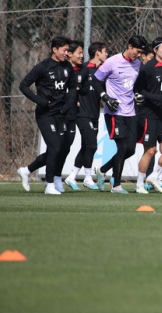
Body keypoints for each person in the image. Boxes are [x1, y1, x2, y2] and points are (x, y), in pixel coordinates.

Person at [17, 36, 76, 194]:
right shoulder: (42, 67)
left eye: (68, 50)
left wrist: (68, 105)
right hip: (45, 114)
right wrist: (40, 101)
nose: (66, 53)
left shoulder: (67, 67)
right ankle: (49, 185)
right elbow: (23, 85)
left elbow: (72, 88)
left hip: (61, 114)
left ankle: (27, 171)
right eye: (64, 50)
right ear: (54, 49)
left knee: (61, 149)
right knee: (55, 147)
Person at [92, 35, 148, 194]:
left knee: (130, 149)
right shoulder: (112, 62)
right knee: (123, 146)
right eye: (137, 51)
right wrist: (105, 96)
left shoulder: (138, 64)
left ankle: (102, 170)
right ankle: (116, 185)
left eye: (141, 52)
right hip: (115, 112)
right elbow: (95, 80)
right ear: (129, 46)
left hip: (131, 112)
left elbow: (135, 85)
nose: (139, 55)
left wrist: (137, 94)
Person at [133, 37, 162, 194]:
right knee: (151, 151)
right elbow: (138, 90)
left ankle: (154, 176)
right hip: (148, 114)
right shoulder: (148, 68)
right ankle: (139, 184)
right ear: (155, 50)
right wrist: (158, 97)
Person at [65, 42, 108, 190]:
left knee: (86, 146)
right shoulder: (83, 69)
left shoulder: (101, 72)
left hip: (94, 113)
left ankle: (71, 177)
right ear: (97, 53)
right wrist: (74, 99)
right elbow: (73, 87)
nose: (106, 55)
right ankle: (88, 178)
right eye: (105, 51)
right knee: (91, 145)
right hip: (82, 113)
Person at [58, 40, 85, 191]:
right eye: (79, 53)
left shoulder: (80, 71)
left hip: (72, 116)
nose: (82, 56)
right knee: (56, 148)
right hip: (58, 115)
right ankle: (52, 178)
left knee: (66, 148)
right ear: (69, 54)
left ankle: (56, 177)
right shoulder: (60, 69)